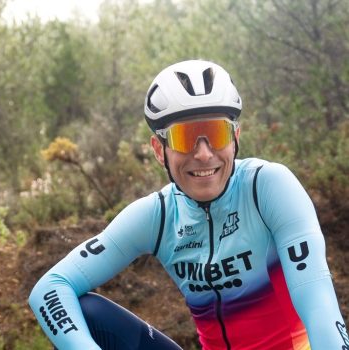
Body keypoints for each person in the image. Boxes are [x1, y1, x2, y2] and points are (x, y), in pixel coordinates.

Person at [28, 59, 348, 349]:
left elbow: (320, 305)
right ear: (158, 149)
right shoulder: (158, 216)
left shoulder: (268, 187)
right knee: (89, 312)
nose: (204, 153)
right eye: (186, 137)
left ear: (236, 137)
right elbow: (50, 288)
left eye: (215, 133)